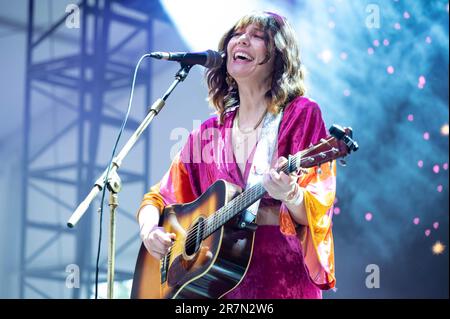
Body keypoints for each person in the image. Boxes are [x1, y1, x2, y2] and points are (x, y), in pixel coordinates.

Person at [137, 11, 336, 299]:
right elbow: (158, 198)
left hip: (281, 281)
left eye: (257, 36)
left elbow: (317, 211)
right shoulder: (208, 132)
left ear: (279, 55)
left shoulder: (301, 114)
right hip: (217, 287)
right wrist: (148, 231)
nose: (242, 40)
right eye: (237, 35)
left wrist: (290, 194)